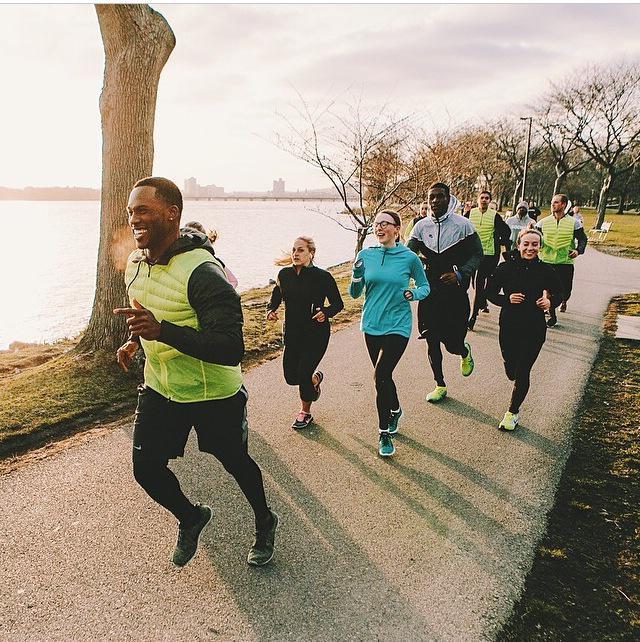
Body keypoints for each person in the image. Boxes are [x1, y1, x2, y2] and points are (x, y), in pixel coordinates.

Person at [114, 177, 278, 569]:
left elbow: (230, 347)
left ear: (172, 214)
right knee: (145, 468)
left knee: (235, 461)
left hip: (213, 393)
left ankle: (265, 519)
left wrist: (162, 331)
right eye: (130, 212)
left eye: (143, 210)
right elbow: (146, 312)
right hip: (161, 386)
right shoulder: (135, 264)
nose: (134, 219)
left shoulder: (204, 272)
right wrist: (136, 341)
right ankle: (191, 517)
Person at [350, 210, 430, 457]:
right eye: (377, 224)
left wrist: (412, 294)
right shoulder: (366, 255)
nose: (379, 227)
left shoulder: (409, 258)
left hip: (398, 325)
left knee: (380, 376)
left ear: (397, 229)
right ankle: (395, 409)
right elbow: (355, 294)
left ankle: (383, 433)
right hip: (372, 324)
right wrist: (356, 276)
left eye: (385, 224)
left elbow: (425, 287)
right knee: (383, 377)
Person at [407, 183, 482, 403]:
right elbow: (407, 253)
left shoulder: (463, 225)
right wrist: (414, 264)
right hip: (430, 290)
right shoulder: (420, 226)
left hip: (455, 291)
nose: (435, 201)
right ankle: (439, 384)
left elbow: (478, 255)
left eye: (440, 197)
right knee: (431, 339)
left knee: (452, 344)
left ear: (449, 198)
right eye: (431, 197)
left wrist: (460, 274)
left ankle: (463, 351)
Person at [486, 228, 563, 430]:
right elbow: (489, 292)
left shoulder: (546, 270)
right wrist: (506, 300)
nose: (530, 248)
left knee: (523, 371)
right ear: (518, 245)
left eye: (535, 244)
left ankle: (512, 413)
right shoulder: (505, 268)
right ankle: (509, 367)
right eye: (526, 244)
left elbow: (560, 293)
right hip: (509, 325)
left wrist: (550, 301)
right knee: (511, 367)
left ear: (540, 246)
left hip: (534, 327)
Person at [266, 236, 344, 429]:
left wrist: (325, 313)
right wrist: (271, 309)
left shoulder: (323, 277)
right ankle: (314, 380)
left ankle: (305, 413)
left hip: (315, 334)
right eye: (294, 250)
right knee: (291, 377)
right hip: (292, 332)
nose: (295, 254)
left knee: (302, 373)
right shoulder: (284, 275)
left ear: (311, 253)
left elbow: (338, 304)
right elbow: (276, 295)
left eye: (301, 250)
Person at [536, 193, 588, 325]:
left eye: (556, 202)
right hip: (546, 260)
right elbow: (535, 237)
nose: (553, 205)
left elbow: (582, 239)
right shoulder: (543, 222)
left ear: (564, 205)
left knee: (565, 290)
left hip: (565, 262)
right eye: (552, 202)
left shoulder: (574, 223)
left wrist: (578, 251)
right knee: (548, 289)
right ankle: (552, 315)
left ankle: (564, 301)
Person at [465, 191, 511, 330]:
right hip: (472, 253)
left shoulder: (494, 215)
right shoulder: (470, 214)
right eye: (482, 198)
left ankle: (473, 317)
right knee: (474, 283)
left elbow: (506, 231)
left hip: (489, 255)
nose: (484, 200)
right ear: (477, 199)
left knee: (479, 282)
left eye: (487, 198)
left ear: (490, 201)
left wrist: (500, 241)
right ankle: (482, 302)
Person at [184, 220, 238, 288]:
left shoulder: (213, 261)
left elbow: (233, 281)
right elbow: (234, 282)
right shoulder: (177, 259)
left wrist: (219, 294)